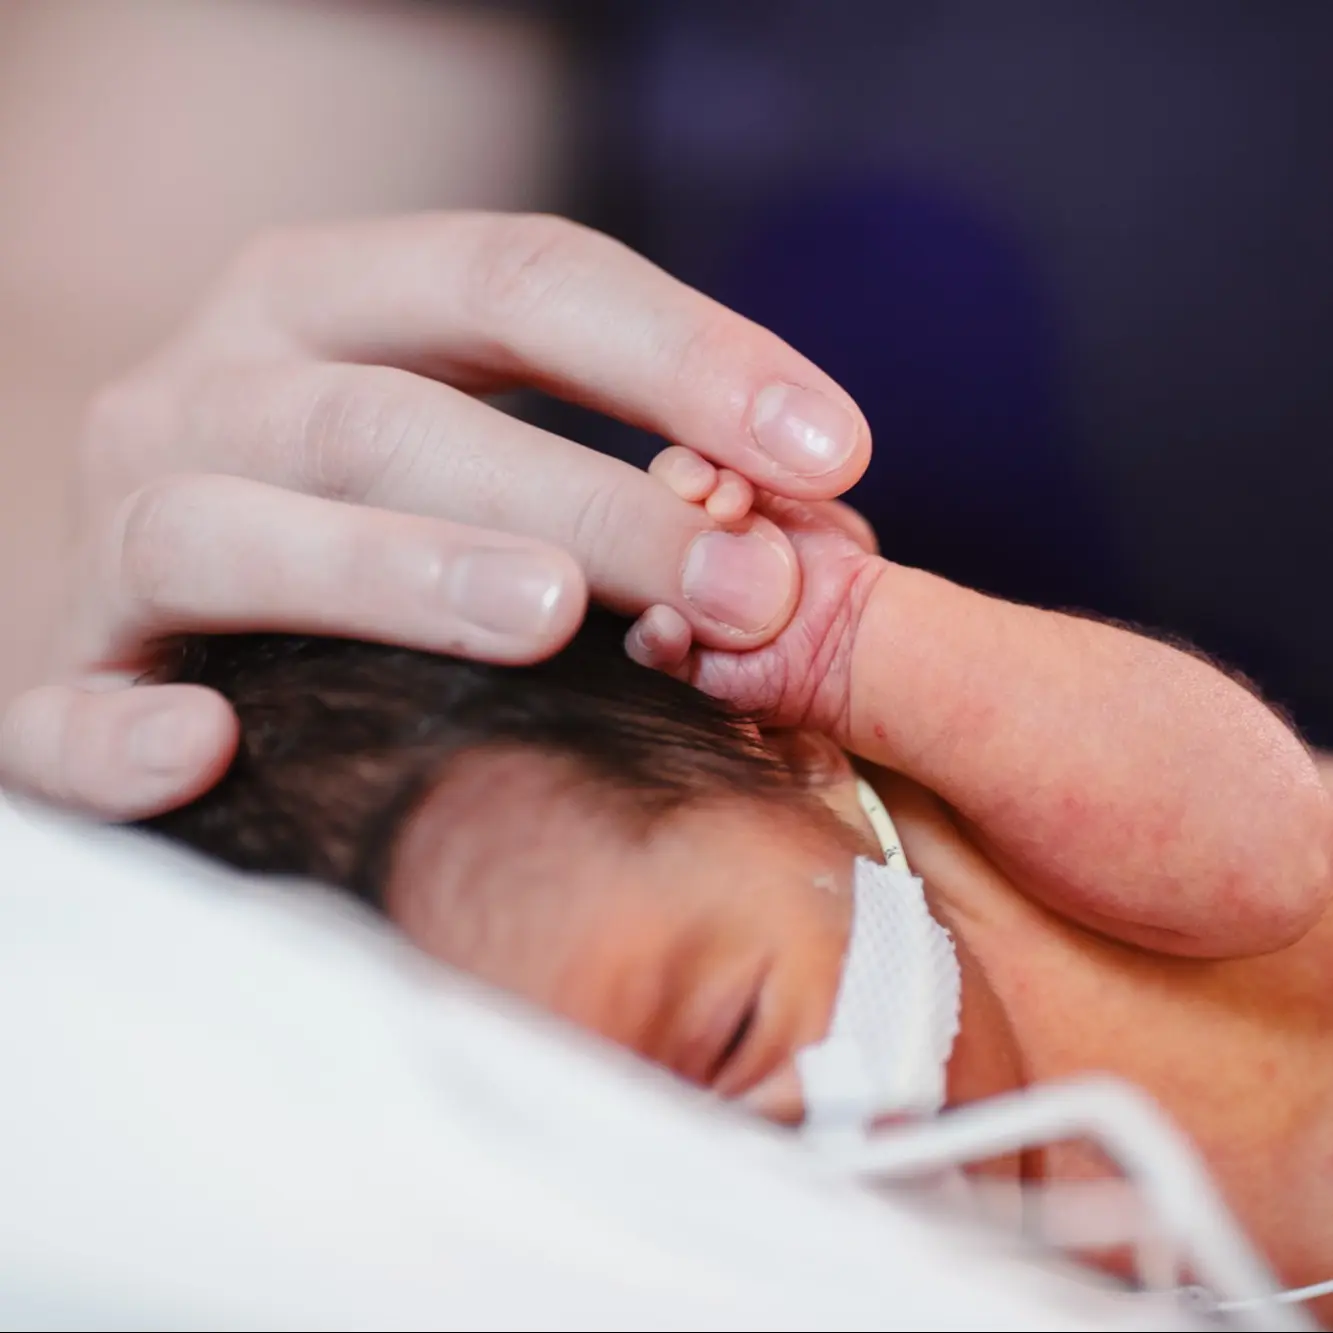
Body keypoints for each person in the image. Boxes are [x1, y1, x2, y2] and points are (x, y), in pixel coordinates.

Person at [135, 450, 1333, 1314]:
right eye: (665, 1172)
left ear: (796, 760)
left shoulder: (982, 837)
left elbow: (1275, 850)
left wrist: (844, 636)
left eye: (731, 1039)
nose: (801, 1161)